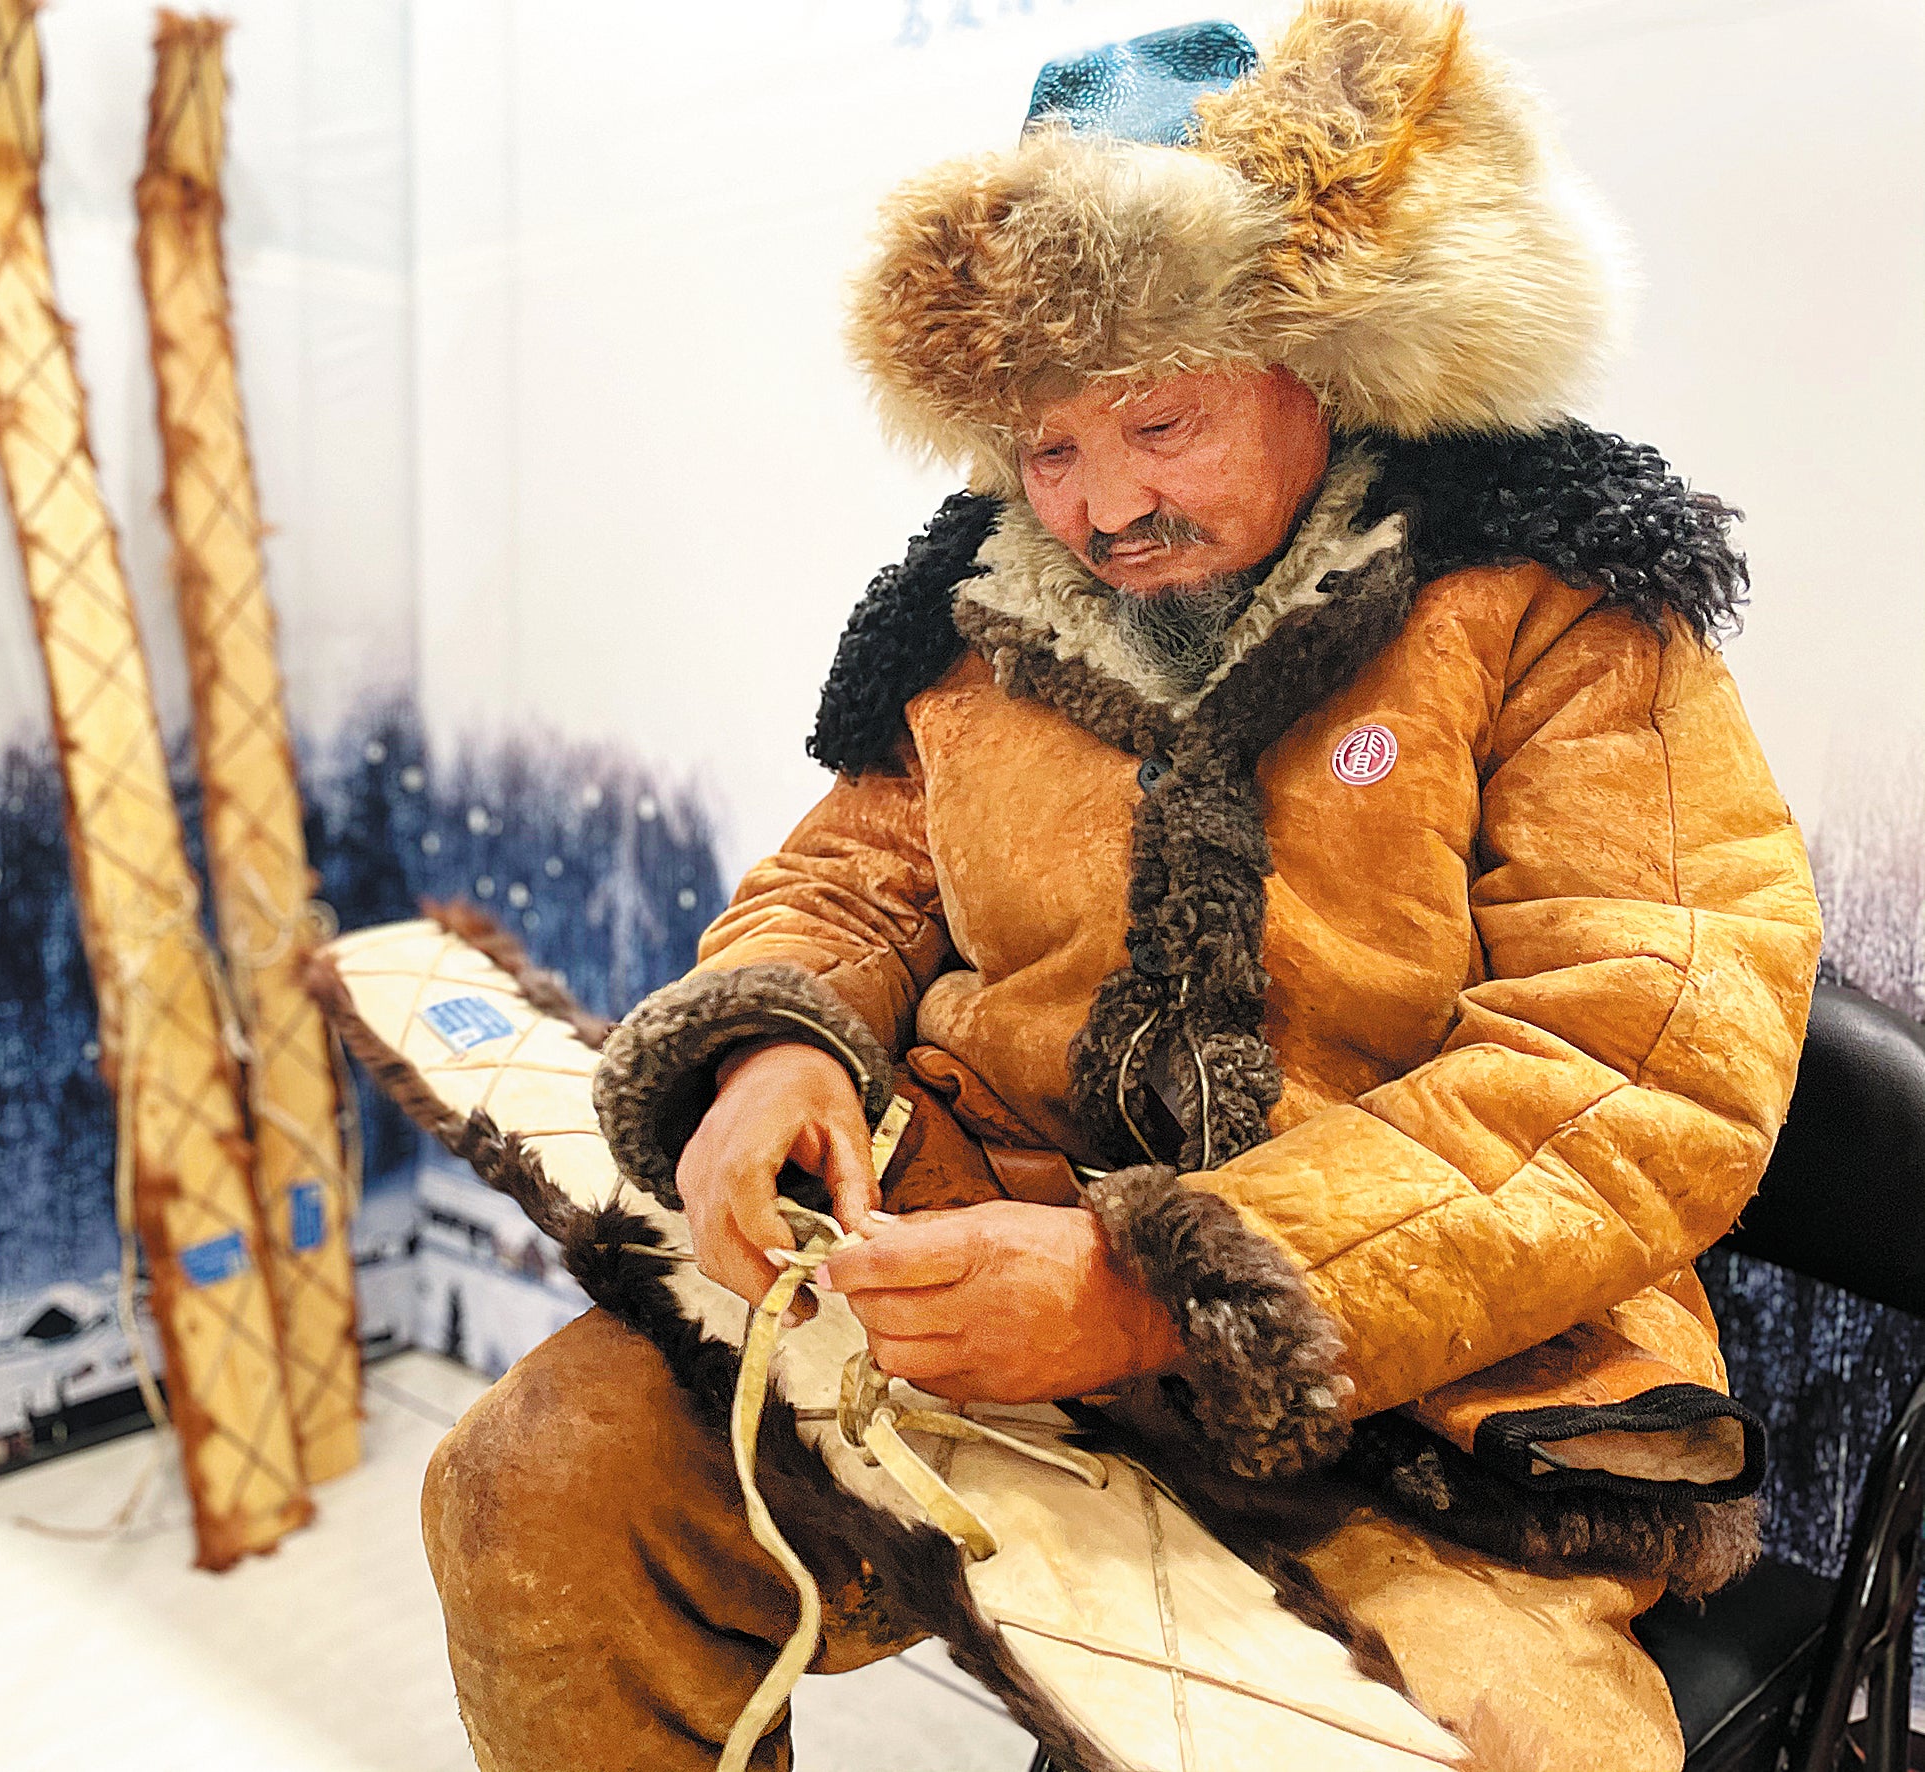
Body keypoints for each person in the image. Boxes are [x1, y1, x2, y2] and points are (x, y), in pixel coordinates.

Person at [422, 5, 1823, 1768]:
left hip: (1416, 1402)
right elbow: (848, 885)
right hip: (952, 1299)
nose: (1097, 509)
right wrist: (769, 1051)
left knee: (1504, 1747)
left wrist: (1159, 1284)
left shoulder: (1556, 612)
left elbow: (1639, 1069)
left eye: (1156, 424)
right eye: (1049, 447)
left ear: (1323, 366)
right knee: (538, 1483)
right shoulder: (967, 630)